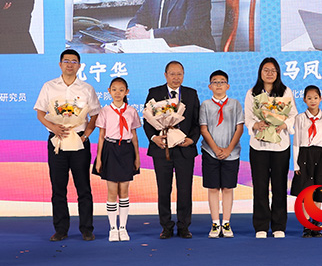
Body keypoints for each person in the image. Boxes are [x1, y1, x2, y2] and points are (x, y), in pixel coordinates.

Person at [34, 50, 100, 242]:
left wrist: (86, 135)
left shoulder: (86, 88)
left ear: (79, 65)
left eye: (74, 61)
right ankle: (61, 230)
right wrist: (54, 127)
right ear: (60, 64)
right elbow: (40, 113)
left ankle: (87, 229)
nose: (70, 64)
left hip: (79, 141)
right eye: (66, 61)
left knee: (83, 187)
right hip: (57, 141)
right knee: (58, 187)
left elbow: (95, 114)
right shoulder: (49, 86)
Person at [142, 61, 201, 239]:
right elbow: (147, 120)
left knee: (185, 189)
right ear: (165, 75)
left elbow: (197, 121)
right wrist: (154, 138)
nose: (176, 77)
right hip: (162, 148)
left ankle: (184, 226)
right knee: (163, 189)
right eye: (172, 74)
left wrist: (192, 139)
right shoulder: (155, 92)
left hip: (184, 148)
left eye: (179, 74)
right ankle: (166, 226)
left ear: (183, 75)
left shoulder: (191, 94)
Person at [244, 57, 298, 238]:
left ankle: (278, 226)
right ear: (260, 72)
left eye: (273, 70)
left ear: (278, 73)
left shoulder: (285, 91)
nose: (269, 73)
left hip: (280, 146)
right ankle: (261, 226)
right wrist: (255, 124)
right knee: (260, 187)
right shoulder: (252, 93)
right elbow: (248, 116)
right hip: (258, 146)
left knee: (279, 187)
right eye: (266, 70)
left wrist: (284, 124)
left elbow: (293, 115)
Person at [93, 77, 141, 242]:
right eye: (114, 89)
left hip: (126, 150)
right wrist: (99, 158)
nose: (117, 93)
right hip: (110, 150)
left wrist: (137, 157)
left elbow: (134, 136)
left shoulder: (132, 111)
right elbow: (101, 136)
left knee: (124, 191)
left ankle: (123, 228)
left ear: (127, 92)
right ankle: (113, 228)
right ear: (109, 91)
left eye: (121, 90)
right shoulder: (105, 111)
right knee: (112, 191)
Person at [198, 70, 243, 238]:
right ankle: (215, 223)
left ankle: (227, 222)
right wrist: (216, 149)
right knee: (213, 188)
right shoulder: (205, 105)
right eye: (215, 82)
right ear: (210, 86)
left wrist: (229, 149)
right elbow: (203, 129)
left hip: (232, 153)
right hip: (210, 152)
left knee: (228, 188)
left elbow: (239, 128)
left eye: (222, 81)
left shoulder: (235, 104)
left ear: (228, 86)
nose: (218, 84)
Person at [289, 85, 322, 238]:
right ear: (304, 100)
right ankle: (306, 225)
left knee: (318, 193)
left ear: (320, 99)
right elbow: (296, 142)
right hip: (304, 156)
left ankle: (316, 224)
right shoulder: (300, 118)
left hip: (321, 156)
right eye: (309, 98)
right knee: (306, 193)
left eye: (315, 98)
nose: (312, 101)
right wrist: (296, 164)